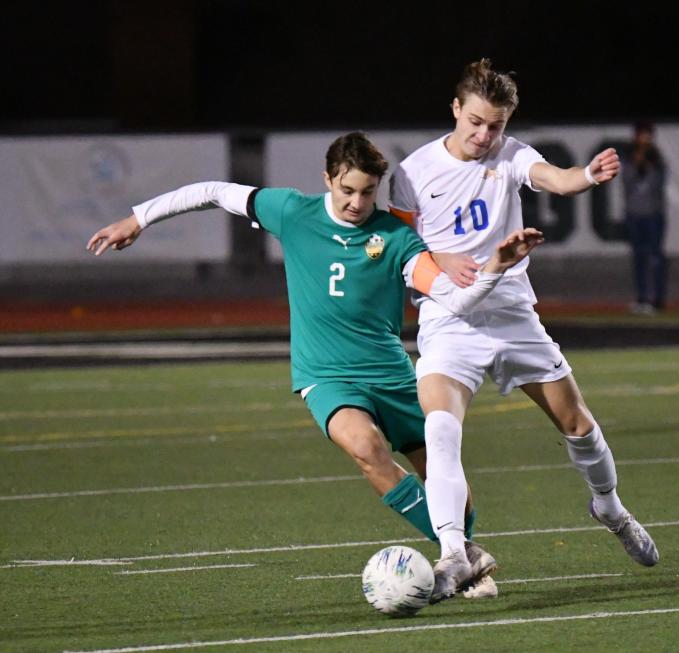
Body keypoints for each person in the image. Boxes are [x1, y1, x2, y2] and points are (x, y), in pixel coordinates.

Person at [86, 131, 544, 599]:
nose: (356, 202)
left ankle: (462, 549)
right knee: (364, 446)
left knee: (448, 482)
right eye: (347, 190)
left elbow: (450, 294)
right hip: (325, 375)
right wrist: (138, 218)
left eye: (367, 192)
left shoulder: (395, 236)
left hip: (391, 373)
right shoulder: (292, 212)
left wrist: (493, 269)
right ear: (327, 179)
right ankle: (461, 555)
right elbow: (211, 192)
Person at [389, 59, 659, 603]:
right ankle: (452, 553)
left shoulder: (511, 155)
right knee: (439, 432)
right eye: (477, 122)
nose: (485, 135)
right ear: (456, 110)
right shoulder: (413, 171)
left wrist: (585, 176)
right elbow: (400, 241)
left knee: (578, 424)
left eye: (497, 125)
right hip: (448, 319)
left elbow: (554, 179)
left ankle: (609, 506)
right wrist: (440, 254)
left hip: (512, 313)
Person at [622, 121, 668, 315]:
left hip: (653, 215)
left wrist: (648, 165)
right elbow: (626, 182)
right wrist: (636, 163)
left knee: (655, 256)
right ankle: (642, 297)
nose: (644, 139)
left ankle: (657, 299)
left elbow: (658, 185)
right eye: (641, 134)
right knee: (639, 258)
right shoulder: (628, 158)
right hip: (634, 215)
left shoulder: (657, 159)